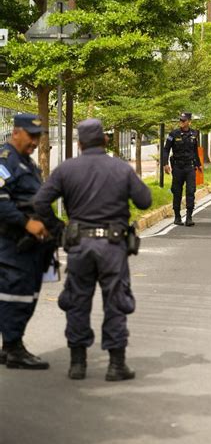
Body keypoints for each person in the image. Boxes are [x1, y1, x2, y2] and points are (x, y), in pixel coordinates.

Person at [33, 118, 152, 381]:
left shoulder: (67, 169)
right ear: (106, 140)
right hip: (113, 246)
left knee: (77, 301)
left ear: (79, 143)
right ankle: (116, 365)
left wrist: (58, 228)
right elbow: (145, 200)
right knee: (116, 302)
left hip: (79, 246)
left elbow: (40, 202)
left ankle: (78, 364)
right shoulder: (120, 168)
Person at [0, 113, 52, 370]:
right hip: (11, 242)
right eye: (31, 136)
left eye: (37, 137)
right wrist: (26, 223)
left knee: (26, 293)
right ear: (16, 132)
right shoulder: (5, 161)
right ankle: (13, 347)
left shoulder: (28, 164)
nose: (34, 142)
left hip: (31, 244)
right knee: (15, 295)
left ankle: (10, 345)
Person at [163, 112, 201, 227]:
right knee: (177, 191)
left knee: (190, 191)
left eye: (184, 121)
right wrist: (165, 164)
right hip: (178, 167)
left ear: (189, 121)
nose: (181, 122)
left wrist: (198, 165)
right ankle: (177, 216)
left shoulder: (194, 133)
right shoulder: (173, 134)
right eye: (180, 120)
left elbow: (195, 150)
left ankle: (189, 217)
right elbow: (166, 150)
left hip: (190, 167)